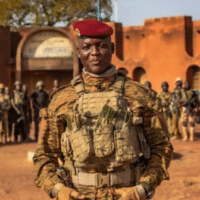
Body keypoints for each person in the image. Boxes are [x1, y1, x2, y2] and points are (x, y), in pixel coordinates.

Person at [33, 19, 173, 200]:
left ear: (113, 48)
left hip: (127, 194)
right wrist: (57, 189)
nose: (94, 53)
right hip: (78, 195)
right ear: (78, 52)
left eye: (101, 46)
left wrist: (143, 188)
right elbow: (45, 154)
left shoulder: (139, 96)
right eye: (87, 47)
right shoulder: (62, 100)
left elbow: (161, 147)